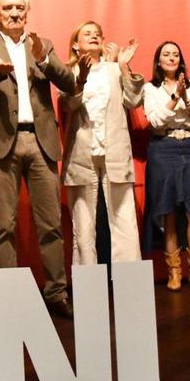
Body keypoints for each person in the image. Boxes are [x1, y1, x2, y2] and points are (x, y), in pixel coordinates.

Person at [0, 0, 77, 318]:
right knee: (3, 225)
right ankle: (9, 298)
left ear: (27, 12)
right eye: (7, 8)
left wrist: (44, 60)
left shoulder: (42, 44)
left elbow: (69, 83)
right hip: (0, 142)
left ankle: (56, 293)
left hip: (40, 142)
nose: (14, 13)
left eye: (19, 8)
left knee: (51, 224)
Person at [59, 21, 142, 266]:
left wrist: (125, 66)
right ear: (75, 44)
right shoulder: (67, 72)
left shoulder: (114, 69)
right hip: (81, 156)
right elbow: (67, 105)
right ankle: (87, 279)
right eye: (87, 33)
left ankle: (130, 278)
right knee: (83, 225)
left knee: (124, 218)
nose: (94, 36)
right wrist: (81, 80)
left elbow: (134, 100)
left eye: (97, 34)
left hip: (114, 153)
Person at [143, 41, 190, 291]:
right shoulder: (151, 88)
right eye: (165, 54)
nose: (171, 58)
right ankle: (175, 272)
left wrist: (186, 99)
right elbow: (156, 120)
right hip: (163, 147)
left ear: (181, 60)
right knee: (167, 210)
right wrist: (174, 97)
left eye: (175, 54)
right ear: (158, 61)